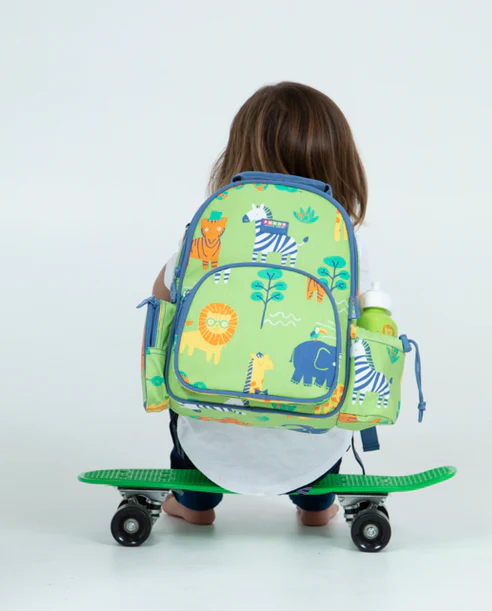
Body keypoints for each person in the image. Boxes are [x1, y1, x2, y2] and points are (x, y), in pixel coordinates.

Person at [152, 82, 371, 527]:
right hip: (313, 442)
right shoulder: (343, 241)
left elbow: (161, 299)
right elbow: (366, 322)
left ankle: (193, 502)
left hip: (209, 440)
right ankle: (316, 505)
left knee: (183, 372)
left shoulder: (209, 227)